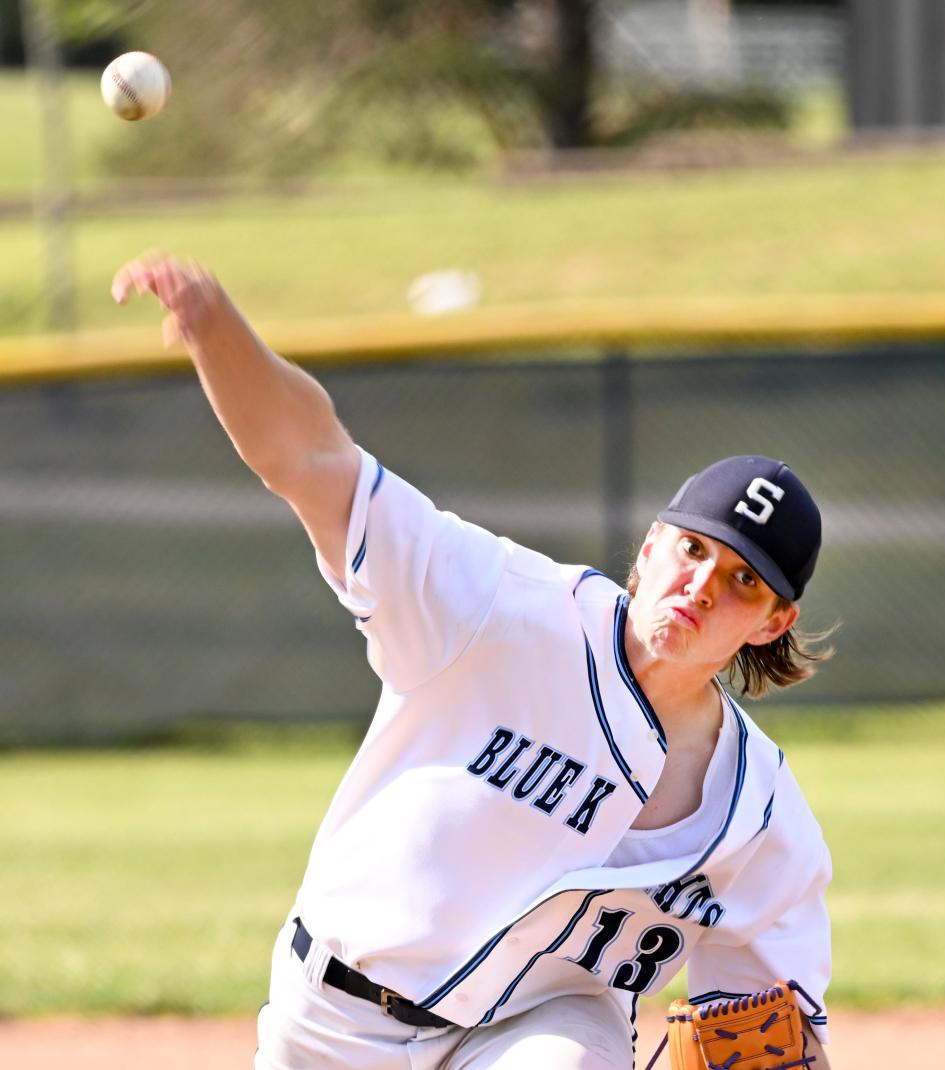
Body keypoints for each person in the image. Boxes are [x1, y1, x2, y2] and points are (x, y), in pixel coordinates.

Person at [112, 254, 833, 1070]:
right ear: (650, 546)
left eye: (744, 580)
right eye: (693, 550)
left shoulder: (759, 818)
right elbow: (315, 462)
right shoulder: (495, 604)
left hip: (540, 1029)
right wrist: (216, 333)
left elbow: (775, 1029)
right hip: (335, 1017)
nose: (702, 586)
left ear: (776, 622)